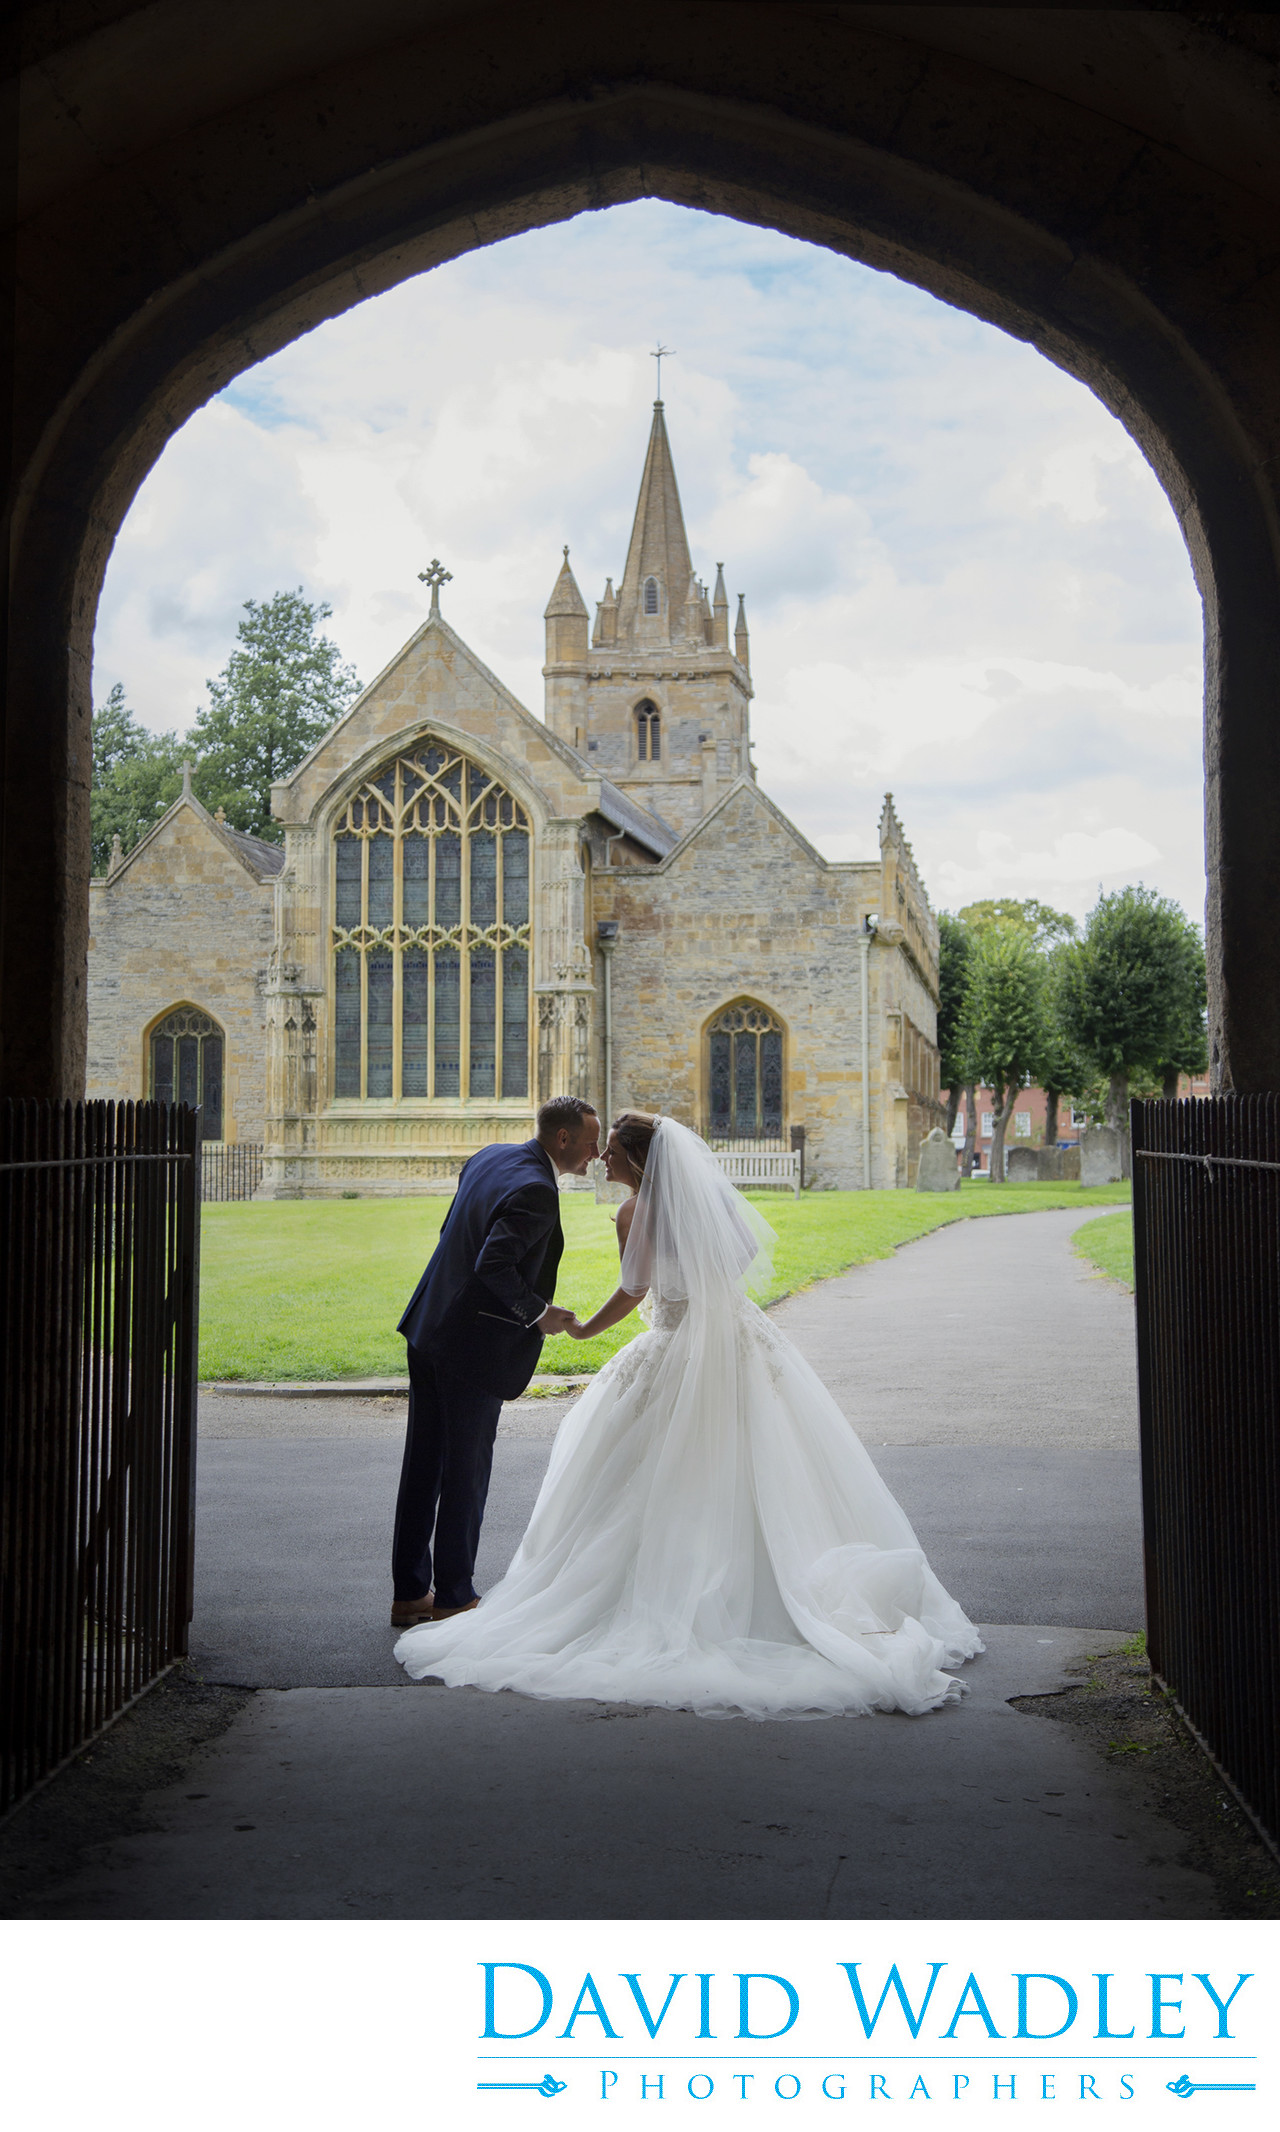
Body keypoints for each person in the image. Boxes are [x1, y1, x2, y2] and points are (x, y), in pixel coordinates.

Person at [394, 1111, 982, 1717]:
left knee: (619, 1465)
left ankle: (424, 1592)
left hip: (656, 1343)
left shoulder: (622, 1209)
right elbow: (740, 1254)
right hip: (736, 1337)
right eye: (598, 1146)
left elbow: (634, 1290)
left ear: (638, 1161)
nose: (601, 1158)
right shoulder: (707, 1205)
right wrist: (704, 1292)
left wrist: (584, 1329)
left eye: (611, 1150)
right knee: (758, 1458)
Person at [389, 1094, 598, 1629]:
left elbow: (452, 1234)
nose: (596, 1154)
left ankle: (410, 1594)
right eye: (591, 1142)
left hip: (427, 1325)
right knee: (466, 1470)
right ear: (563, 1138)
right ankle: (454, 1595)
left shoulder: (489, 1156)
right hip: (470, 1346)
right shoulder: (537, 1189)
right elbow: (493, 1264)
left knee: (423, 1464)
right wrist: (541, 1314)